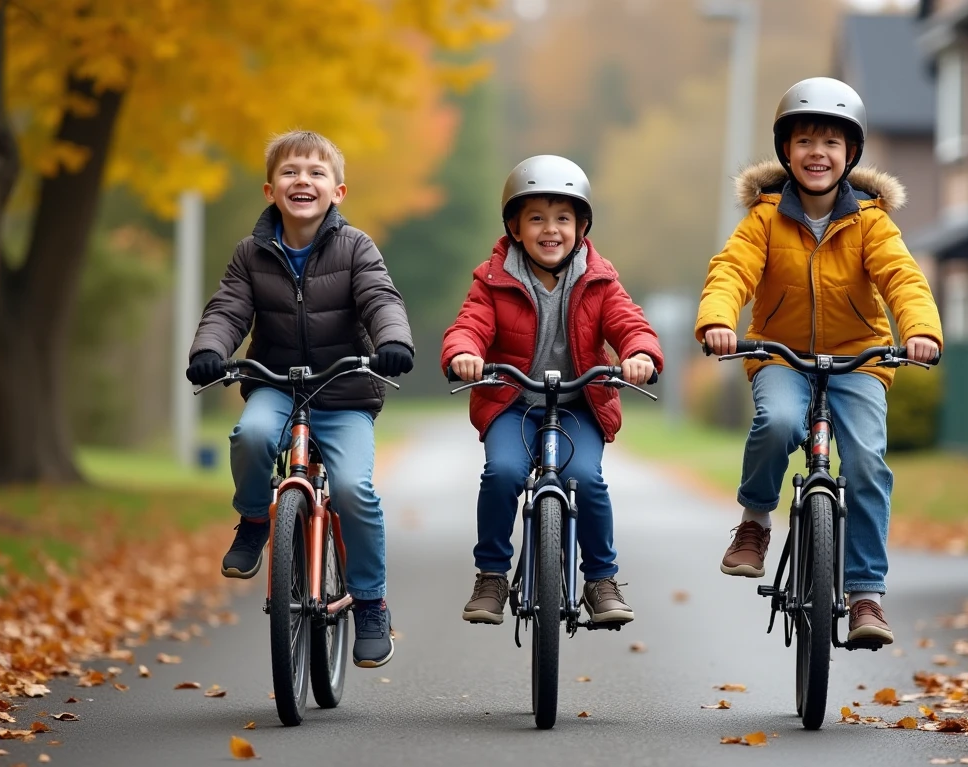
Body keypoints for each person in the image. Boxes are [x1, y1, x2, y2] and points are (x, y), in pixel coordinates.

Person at [695, 78, 943, 643]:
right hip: (780, 356)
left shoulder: (871, 222)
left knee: (867, 465)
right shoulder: (763, 219)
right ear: (787, 151)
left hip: (858, 361)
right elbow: (731, 271)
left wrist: (921, 331)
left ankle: (865, 596)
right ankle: (755, 522)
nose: (817, 153)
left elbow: (903, 278)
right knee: (778, 421)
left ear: (850, 155)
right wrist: (718, 321)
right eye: (805, 141)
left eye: (831, 143)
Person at [185, 130, 414, 668]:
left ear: (338, 191)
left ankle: (370, 603)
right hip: (276, 384)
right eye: (290, 172)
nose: (302, 180)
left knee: (355, 489)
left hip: (344, 390)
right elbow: (227, 309)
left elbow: (380, 297)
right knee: (253, 434)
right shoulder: (251, 254)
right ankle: (254, 520)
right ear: (270, 190)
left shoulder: (356, 247)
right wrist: (210, 349)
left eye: (315, 173)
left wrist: (393, 342)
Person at [441, 155, 664, 627]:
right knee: (501, 473)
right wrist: (464, 353)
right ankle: (492, 575)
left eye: (563, 218)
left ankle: (601, 580)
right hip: (513, 402)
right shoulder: (493, 279)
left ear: (581, 227)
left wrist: (640, 354)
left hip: (579, 406)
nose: (550, 229)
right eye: (536, 218)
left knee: (587, 478)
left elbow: (630, 324)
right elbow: (470, 325)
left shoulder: (600, 279)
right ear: (515, 228)